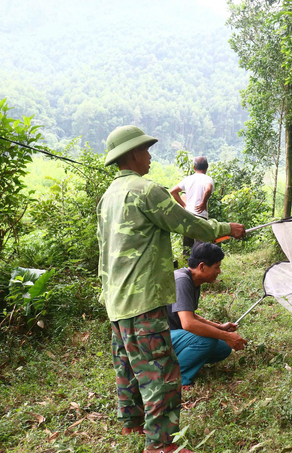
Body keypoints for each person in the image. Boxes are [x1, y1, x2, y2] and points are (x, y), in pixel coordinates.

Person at [97, 125, 246, 453]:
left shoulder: (108, 197)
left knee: (127, 367)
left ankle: (132, 425)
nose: (150, 156)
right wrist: (225, 229)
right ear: (134, 153)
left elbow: (103, 249)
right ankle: (162, 445)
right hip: (144, 300)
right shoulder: (147, 191)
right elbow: (188, 223)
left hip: (116, 301)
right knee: (161, 372)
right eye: (146, 150)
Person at [167, 242, 247, 389]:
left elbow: (191, 315)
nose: (219, 271)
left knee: (223, 348)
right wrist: (228, 336)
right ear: (202, 266)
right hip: (155, 337)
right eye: (217, 267)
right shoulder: (182, 281)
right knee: (207, 341)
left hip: (173, 335)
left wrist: (220, 328)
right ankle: (178, 378)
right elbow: (188, 323)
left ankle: (177, 362)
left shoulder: (192, 280)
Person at [170, 156, 214, 252]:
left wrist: (184, 205)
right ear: (207, 166)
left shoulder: (188, 179)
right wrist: (203, 203)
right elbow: (208, 190)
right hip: (200, 215)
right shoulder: (207, 179)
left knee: (188, 247)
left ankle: (187, 265)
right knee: (201, 247)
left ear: (194, 167)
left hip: (188, 215)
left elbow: (173, 191)